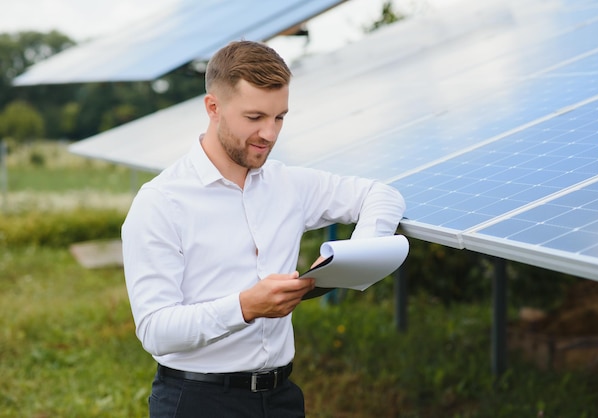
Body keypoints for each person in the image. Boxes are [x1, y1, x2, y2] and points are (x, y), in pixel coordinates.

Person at [121, 40, 406, 418]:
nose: (269, 134)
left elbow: (381, 195)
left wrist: (356, 257)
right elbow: (156, 329)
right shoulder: (160, 202)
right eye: (254, 117)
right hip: (197, 402)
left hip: (281, 399)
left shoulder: (287, 184)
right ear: (213, 107)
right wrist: (244, 307)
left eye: (280, 117)